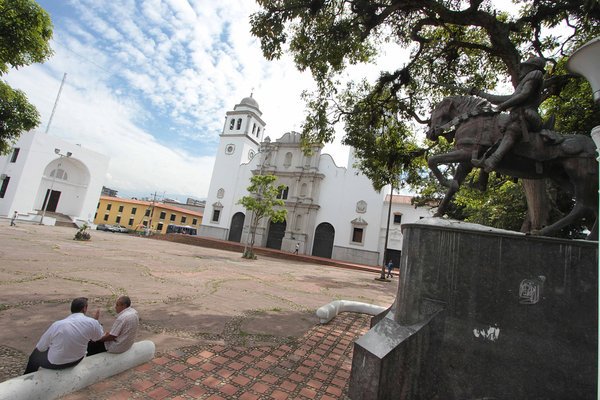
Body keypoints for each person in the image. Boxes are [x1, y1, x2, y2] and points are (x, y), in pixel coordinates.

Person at [472, 56, 546, 172]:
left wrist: (502, 107)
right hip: (516, 116)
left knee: (513, 129)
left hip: (527, 115)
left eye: (524, 67)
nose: (521, 70)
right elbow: (503, 98)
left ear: (531, 67)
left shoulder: (535, 74)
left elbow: (524, 95)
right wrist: (479, 93)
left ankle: (494, 160)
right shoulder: (523, 83)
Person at [24, 297, 103, 374]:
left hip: (56, 363)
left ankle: (26, 377)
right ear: (84, 308)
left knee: (35, 355)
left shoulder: (58, 325)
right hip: (77, 359)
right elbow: (98, 337)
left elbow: (41, 347)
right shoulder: (93, 322)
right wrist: (95, 321)